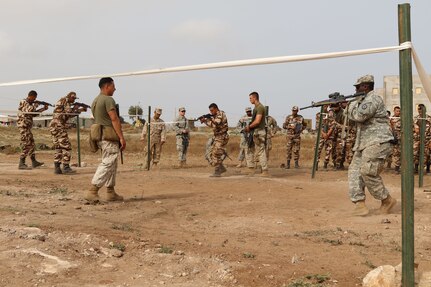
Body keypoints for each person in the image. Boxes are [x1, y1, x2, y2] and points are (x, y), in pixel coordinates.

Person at [347, 74, 396, 216]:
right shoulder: (361, 101)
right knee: (354, 173)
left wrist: (348, 105)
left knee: (367, 171)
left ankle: (386, 200)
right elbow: (351, 120)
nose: (355, 90)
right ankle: (360, 204)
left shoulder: (372, 99)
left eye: (358, 87)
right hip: (363, 143)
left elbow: (358, 116)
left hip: (377, 141)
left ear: (365, 86)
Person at [85, 77, 125, 202]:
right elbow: (114, 119)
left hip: (100, 136)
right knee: (108, 162)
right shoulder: (108, 100)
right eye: (113, 86)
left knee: (112, 163)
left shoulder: (95, 101)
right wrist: (121, 137)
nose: (115, 89)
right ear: (107, 86)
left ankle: (110, 191)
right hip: (108, 136)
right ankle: (93, 190)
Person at [49, 92, 87, 174]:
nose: (73, 101)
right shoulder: (65, 101)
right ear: (70, 97)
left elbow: (67, 114)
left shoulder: (62, 101)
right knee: (66, 146)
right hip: (58, 125)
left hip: (54, 125)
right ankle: (66, 167)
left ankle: (57, 168)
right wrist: (77, 108)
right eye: (73, 98)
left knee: (58, 147)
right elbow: (69, 113)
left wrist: (79, 110)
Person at [17, 90, 49, 170]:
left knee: (31, 143)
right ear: (31, 96)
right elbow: (29, 110)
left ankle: (34, 161)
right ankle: (21, 163)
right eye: (34, 98)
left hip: (27, 127)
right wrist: (36, 104)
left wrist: (43, 109)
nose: (34, 99)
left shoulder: (30, 104)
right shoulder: (24, 102)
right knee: (27, 143)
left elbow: (33, 114)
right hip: (23, 126)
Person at [244, 92, 269, 176]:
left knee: (261, 150)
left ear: (255, 98)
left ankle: (265, 171)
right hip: (255, 131)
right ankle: (251, 169)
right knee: (249, 148)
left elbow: (257, 121)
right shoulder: (256, 108)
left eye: (250, 98)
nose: (250, 100)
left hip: (259, 132)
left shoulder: (260, 107)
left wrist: (249, 127)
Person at [201, 103, 229, 177]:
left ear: (216, 108)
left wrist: (209, 118)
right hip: (217, 137)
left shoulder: (220, 114)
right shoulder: (215, 116)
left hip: (222, 136)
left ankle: (217, 171)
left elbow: (216, 122)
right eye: (210, 111)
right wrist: (204, 121)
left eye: (212, 110)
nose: (211, 112)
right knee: (212, 153)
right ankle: (221, 168)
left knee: (216, 153)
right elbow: (212, 125)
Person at [413, 104, 431, 173]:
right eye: (419, 110)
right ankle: (416, 169)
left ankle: (426, 169)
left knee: (426, 155)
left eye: (421, 110)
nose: (420, 112)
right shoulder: (415, 118)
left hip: (426, 140)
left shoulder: (429, 118)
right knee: (415, 154)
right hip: (416, 140)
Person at [390, 106, 401, 173]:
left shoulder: (402, 119)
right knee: (396, 153)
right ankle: (396, 168)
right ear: (394, 111)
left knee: (401, 153)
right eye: (397, 111)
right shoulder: (391, 119)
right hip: (394, 138)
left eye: (399, 111)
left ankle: (401, 167)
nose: (398, 112)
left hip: (401, 139)